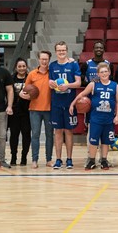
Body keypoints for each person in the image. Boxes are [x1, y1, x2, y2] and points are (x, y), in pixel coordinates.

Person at [70, 63, 118, 170]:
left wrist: (117, 116)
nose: (104, 74)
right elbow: (82, 94)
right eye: (101, 72)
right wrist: (73, 104)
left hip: (108, 119)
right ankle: (92, 160)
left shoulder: (115, 85)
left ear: (109, 72)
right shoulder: (93, 84)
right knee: (93, 141)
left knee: (105, 141)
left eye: (105, 71)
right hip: (95, 119)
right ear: (98, 74)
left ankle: (104, 160)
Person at [49, 41, 82, 169]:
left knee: (69, 131)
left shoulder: (73, 64)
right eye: (59, 50)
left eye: (63, 50)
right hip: (56, 103)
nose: (61, 52)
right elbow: (50, 82)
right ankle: (58, 159)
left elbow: (78, 83)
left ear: (66, 51)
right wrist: (51, 83)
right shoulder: (52, 66)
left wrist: (67, 85)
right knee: (57, 131)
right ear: (56, 52)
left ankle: (69, 159)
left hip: (69, 103)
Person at [21, 50, 53, 168]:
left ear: (49, 60)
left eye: (46, 59)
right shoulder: (32, 74)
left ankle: (49, 159)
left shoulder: (52, 73)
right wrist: (24, 95)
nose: (44, 61)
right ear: (39, 59)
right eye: (42, 59)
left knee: (50, 135)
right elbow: (25, 90)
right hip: (34, 109)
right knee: (35, 135)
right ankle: (34, 159)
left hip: (49, 109)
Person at [9, 58, 31, 166]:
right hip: (14, 112)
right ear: (16, 68)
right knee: (14, 135)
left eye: (23, 66)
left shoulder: (30, 79)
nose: (22, 68)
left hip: (27, 111)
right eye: (19, 66)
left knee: (26, 135)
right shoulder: (11, 79)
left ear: (26, 67)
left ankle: (24, 157)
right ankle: (13, 157)